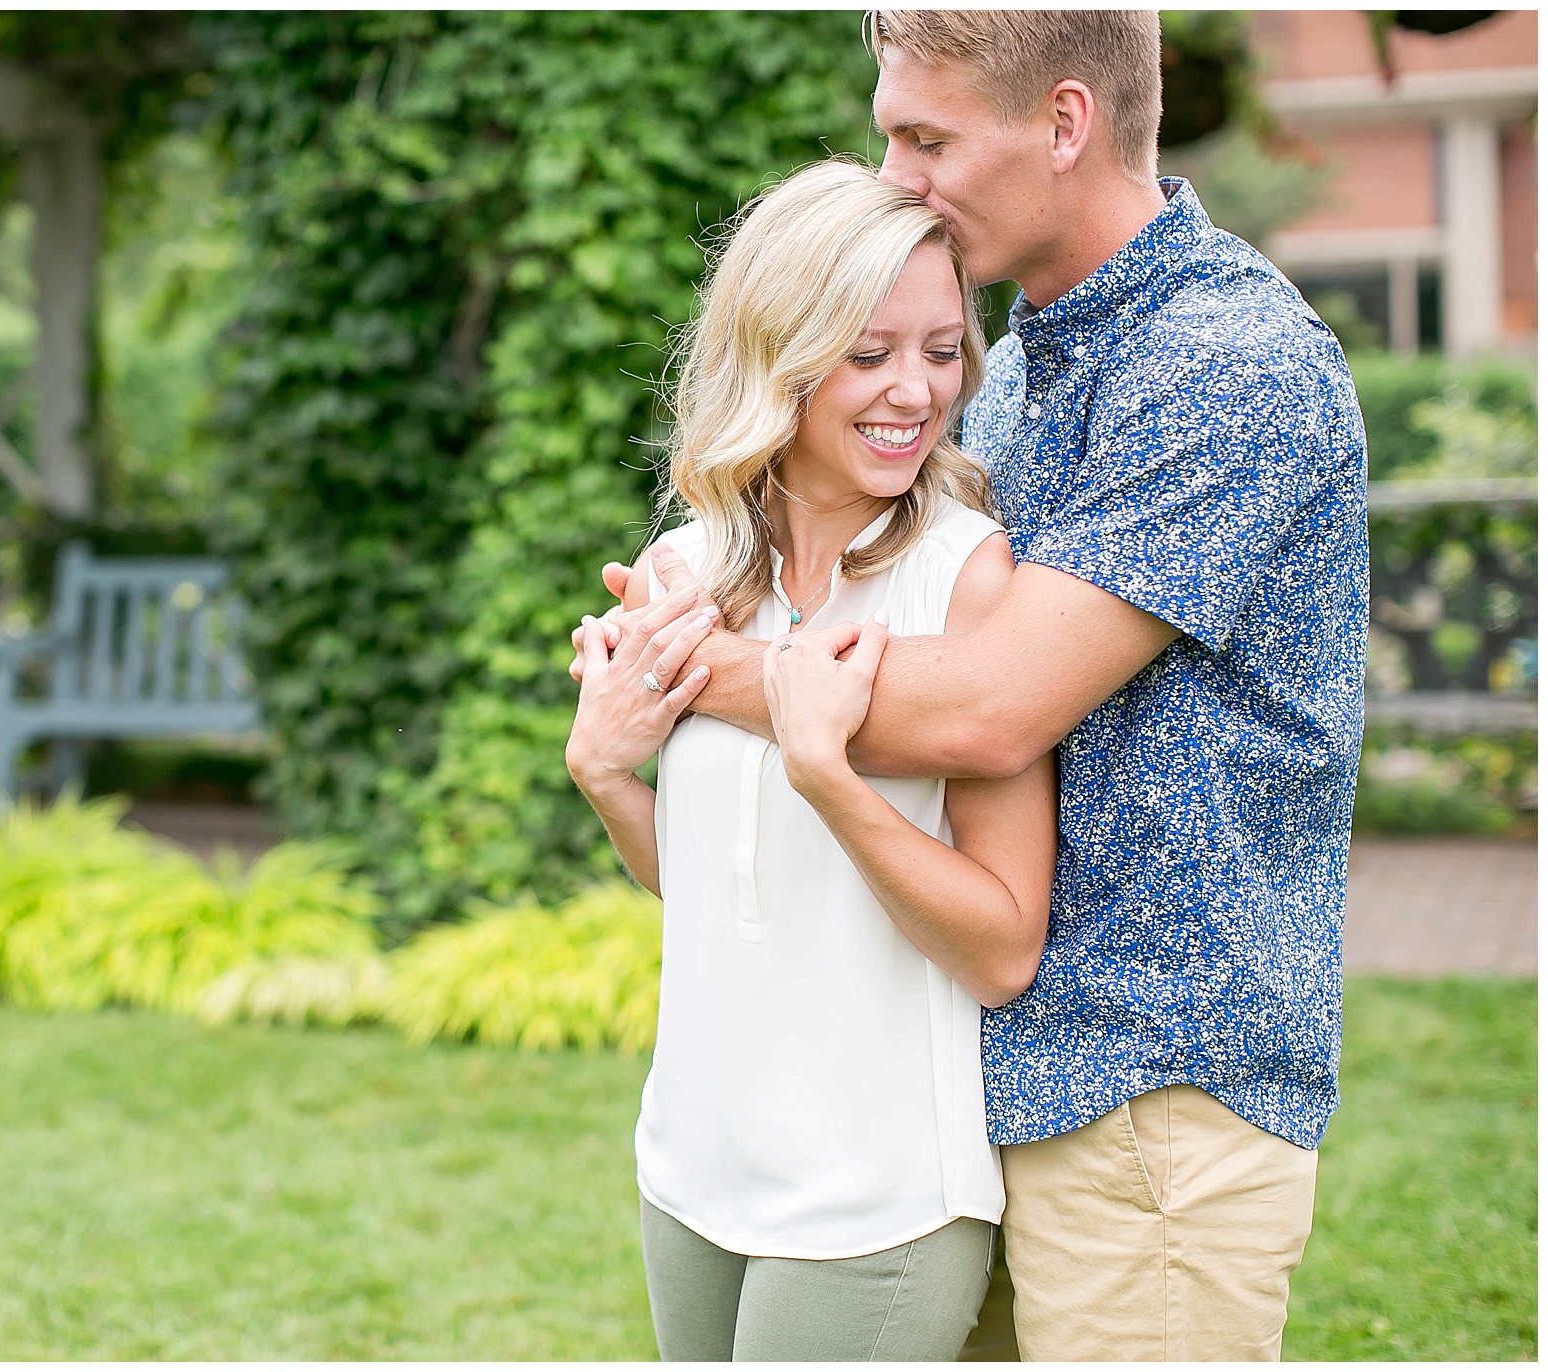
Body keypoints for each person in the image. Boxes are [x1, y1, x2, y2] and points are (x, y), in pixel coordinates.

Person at [577, 10, 1368, 1361]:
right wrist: (623, 752)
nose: (893, 173)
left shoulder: (1227, 367)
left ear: (1064, 123)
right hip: (972, 1081)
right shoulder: (1018, 372)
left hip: (1145, 1093)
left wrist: (682, 666)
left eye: (924, 136)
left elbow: (994, 704)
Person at [565, 158, 1057, 1362]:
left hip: (873, 1197)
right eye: (869, 352)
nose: (915, 391)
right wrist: (608, 775)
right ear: (777, 355)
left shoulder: (966, 578)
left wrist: (828, 773)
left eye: (941, 350)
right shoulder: (685, 571)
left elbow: (1000, 946)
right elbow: (714, 891)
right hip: (690, 1164)